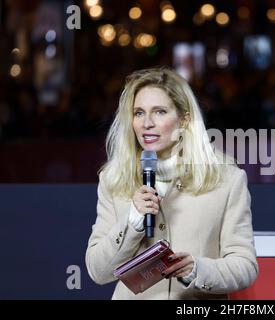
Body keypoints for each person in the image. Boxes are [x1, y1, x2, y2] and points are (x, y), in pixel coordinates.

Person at [85, 67, 258, 299]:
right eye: (138, 113)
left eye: (159, 112)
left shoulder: (226, 178)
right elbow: (98, 271)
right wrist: (133, 221)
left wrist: (197, 269)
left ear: (184, 119)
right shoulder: (113, 179)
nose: (147, 123)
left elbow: (245, 266)